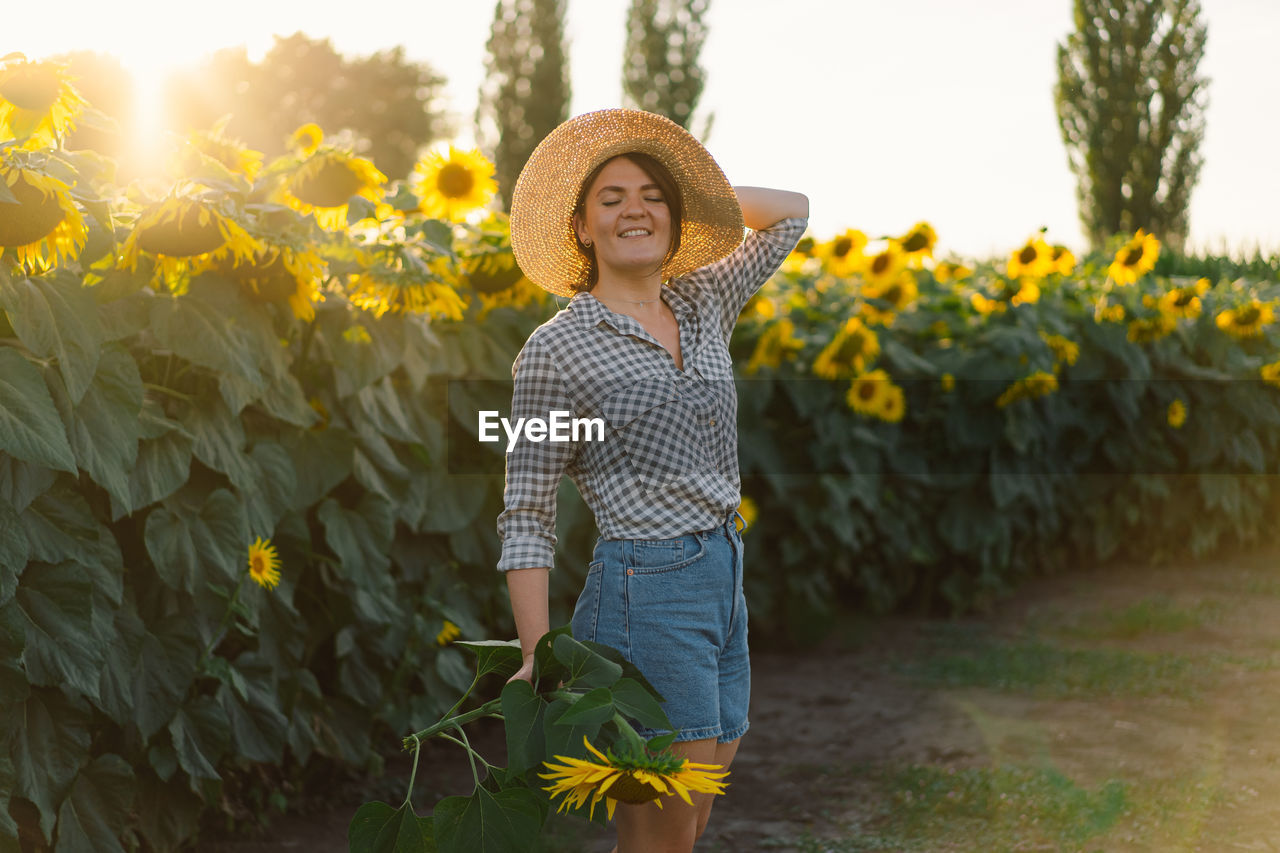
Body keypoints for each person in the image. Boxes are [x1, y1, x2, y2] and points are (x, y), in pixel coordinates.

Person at [496, 107, 808, 853]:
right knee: (661, 830)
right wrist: (535, 648)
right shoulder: (555, 351)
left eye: (652, 196)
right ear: (580, 228)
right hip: (646, 590)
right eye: (612, 198)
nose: (634, 208)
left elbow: (791, 216)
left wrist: (696, 196)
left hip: (721, 576)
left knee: (688, 817)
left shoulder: (703, 302)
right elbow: (527, 510)